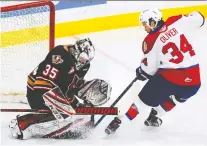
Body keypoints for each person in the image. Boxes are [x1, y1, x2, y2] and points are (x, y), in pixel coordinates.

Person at [105, 8, 204, 134]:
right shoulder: (175, 22)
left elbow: (148, 71)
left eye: (145, 24)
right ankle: (154, 117)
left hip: (170, 78)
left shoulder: (151, 40)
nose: (145, 28)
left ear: (153, 22)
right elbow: (200, 18)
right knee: (176, 98)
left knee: (141, 102)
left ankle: (116, 124)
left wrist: (141, 71)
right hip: (193, 81)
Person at [9, 38, 112, 139]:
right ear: (76, 51)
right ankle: (24, 124)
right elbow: (42, 84)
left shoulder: (84, 65)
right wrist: (68, 108)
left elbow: (71, 86)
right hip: (37, 92)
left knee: (82, 116)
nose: (83, 62)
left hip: (58, 92)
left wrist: (85, 94)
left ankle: (63, 124)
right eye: (82, 59)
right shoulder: (59, 54)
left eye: (86, 60)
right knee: (67, 115)